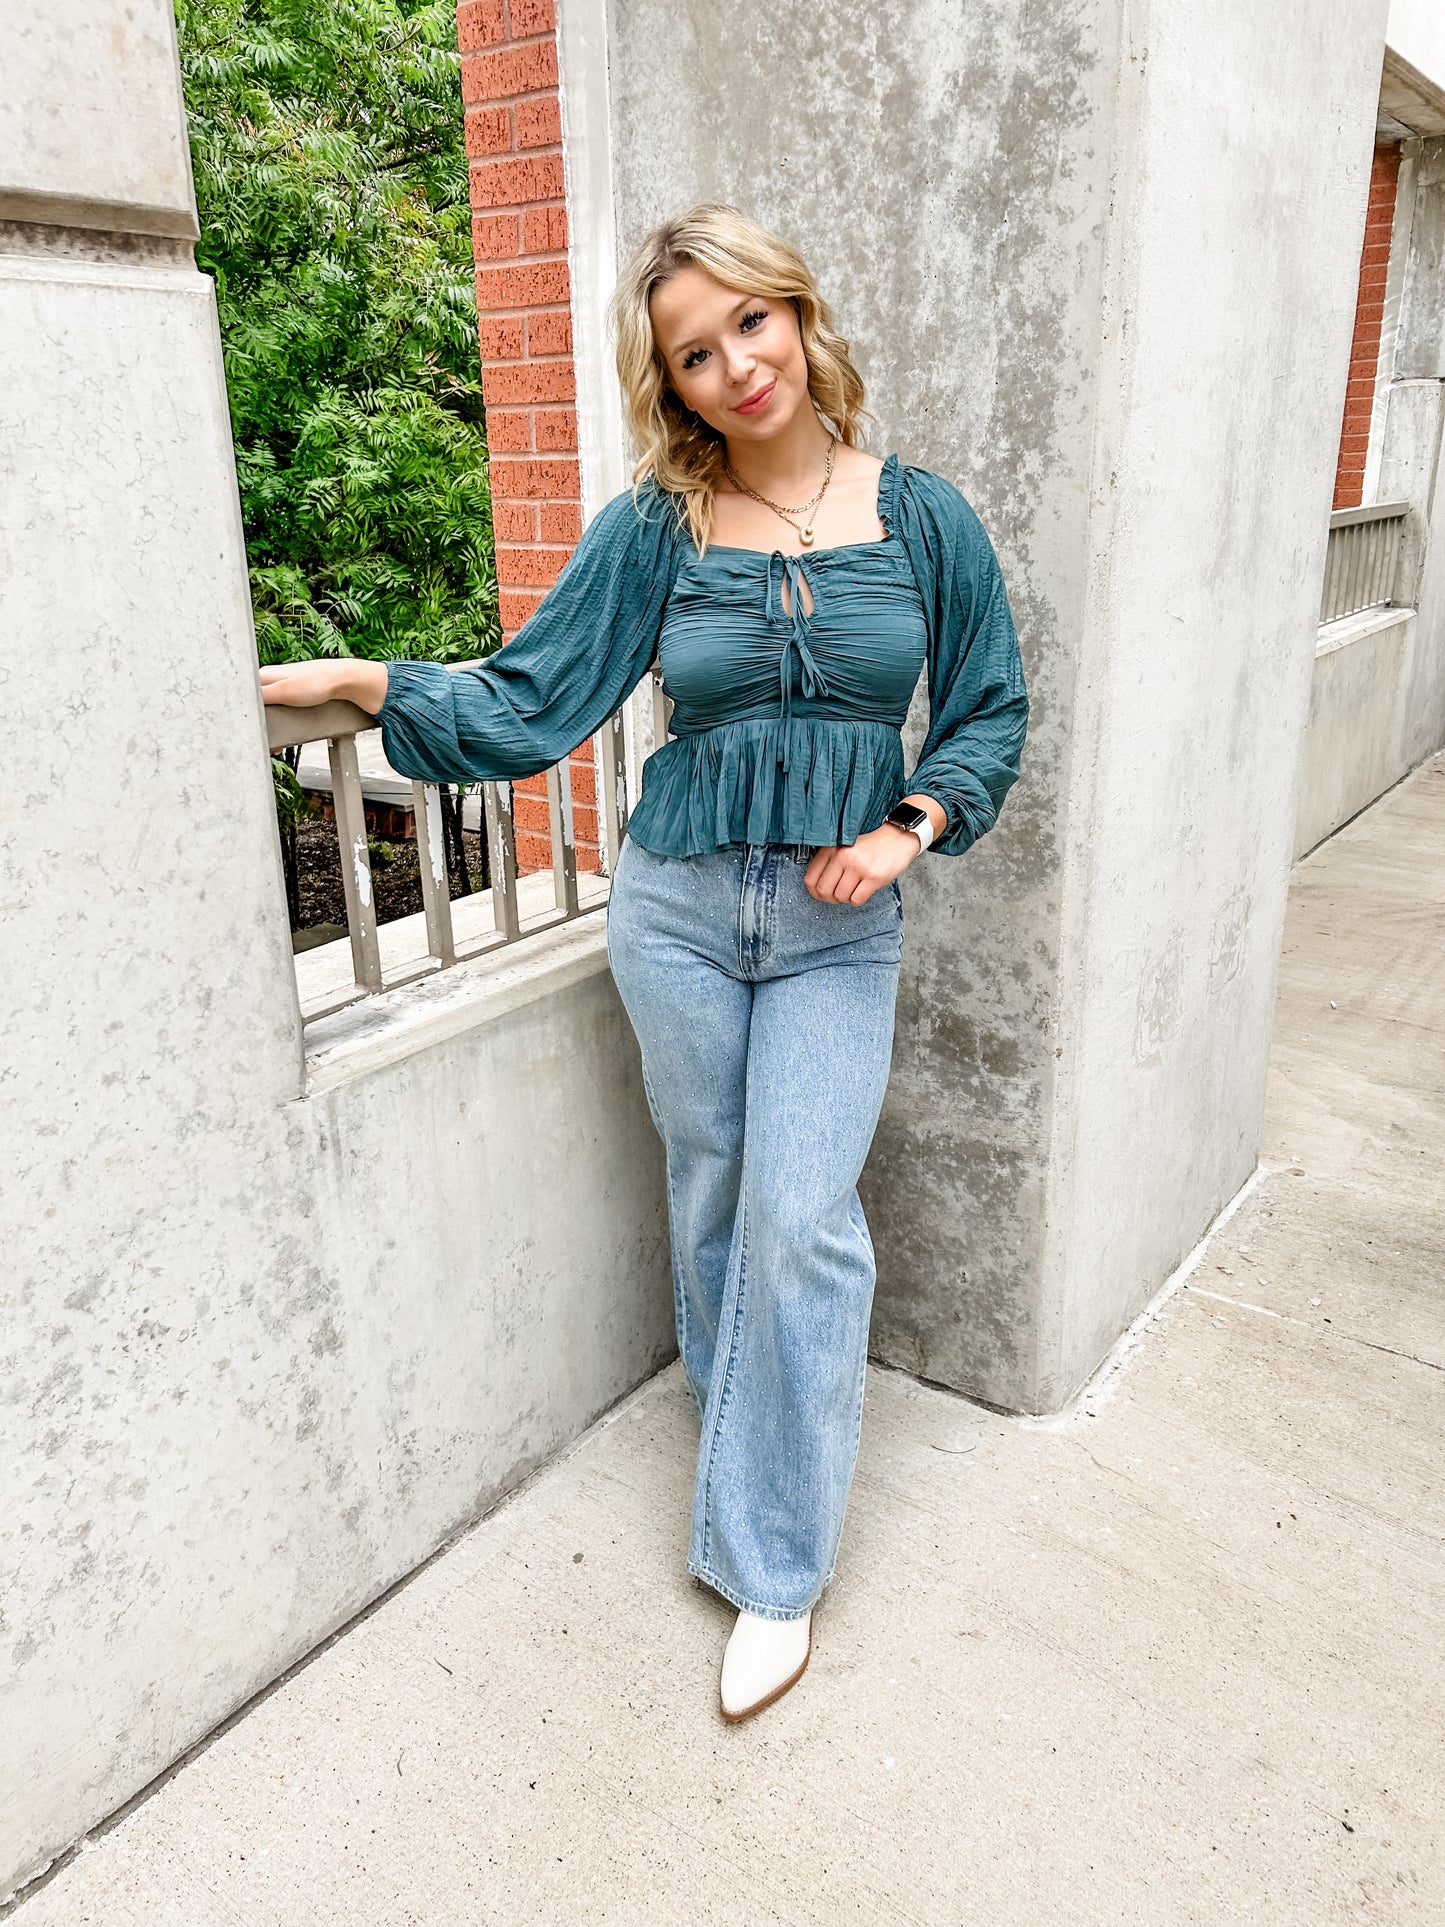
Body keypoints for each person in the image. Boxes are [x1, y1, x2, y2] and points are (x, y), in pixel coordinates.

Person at [260, 202, 1029, 1724]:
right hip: (674, 909)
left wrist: (910, 824)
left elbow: (990, 706)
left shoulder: (925, 517)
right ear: (669, 382)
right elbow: (533, 697)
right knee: (712, 1195)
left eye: (750, 322)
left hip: (833, 927)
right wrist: (364, 684)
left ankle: (771, 1567)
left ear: (798, 318)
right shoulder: (656, 529)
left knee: (801, 1220)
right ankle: (745, 1442)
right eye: (694, 351)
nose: (734, 365)